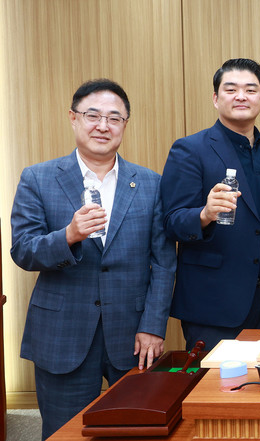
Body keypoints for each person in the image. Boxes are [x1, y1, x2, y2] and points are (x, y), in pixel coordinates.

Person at [10, 79, 176, 439]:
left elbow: (164, 262)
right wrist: (68, 236)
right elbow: (23, 249)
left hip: (133, 335)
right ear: (73, 118)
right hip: (62, 333)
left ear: (125, 124)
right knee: (63, 432)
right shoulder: (38, 178)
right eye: (93, 115)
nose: (103, 126)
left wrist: (153, 325)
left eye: (114, 118)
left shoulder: (150, 183)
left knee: (137, 432)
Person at [160, 58, 260, 350]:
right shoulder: (190, 149)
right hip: (213, 303)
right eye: (231, 89)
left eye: (251, 90)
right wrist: (204, 214)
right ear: (215, 99)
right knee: (215, 380)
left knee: (258, 377)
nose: (241, 96)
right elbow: (171, 222)